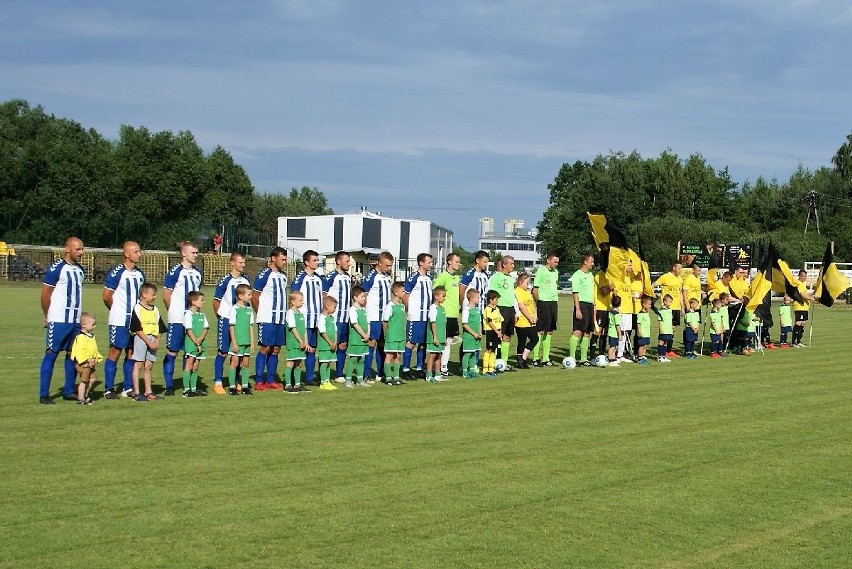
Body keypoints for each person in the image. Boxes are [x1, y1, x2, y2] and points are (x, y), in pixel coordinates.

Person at [38, 237, 86, 404]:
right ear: (67, 249)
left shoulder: (80, 270)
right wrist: (48, 315)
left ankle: (68, 390)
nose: (81, 252)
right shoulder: (56, 268)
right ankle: (44, 394)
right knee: (51, 354)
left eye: (82, 249)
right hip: (58, 320)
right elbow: (45, 295)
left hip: (76, 321)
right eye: (77, 249)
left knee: (72, 356)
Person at [102, 241, 145, 399]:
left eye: (139, 251)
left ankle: (127, 387)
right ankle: (109, 389)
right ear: (127, 254)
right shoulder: (117, 272)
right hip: (119, 320)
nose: (139, 254)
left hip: (135, 321)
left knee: (131, 353)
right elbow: (106, 296)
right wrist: (117, 311)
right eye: (136, 251)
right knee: (115, 352)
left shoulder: (140, 274)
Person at [163, 242, 202, 396]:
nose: (196, 255)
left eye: (197, 252)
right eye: (193, 252)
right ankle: (169, 386)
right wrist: (173, 311)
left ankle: (190, 386)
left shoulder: (198, 272)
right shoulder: (175, 271)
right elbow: (166, 294)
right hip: (178, 319)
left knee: (191, 353)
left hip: (192, 320)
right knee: (172, 351)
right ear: (183, 253)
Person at [212, 252, 250, 394]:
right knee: (223, 351)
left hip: (241, 322)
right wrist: (222, 317)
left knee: (239, 353)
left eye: (244, 262)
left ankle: (236, 381)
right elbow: (216, 301)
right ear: (232, 263)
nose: (243, 265)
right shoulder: (225, 280)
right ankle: (218, 382)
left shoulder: (246, 280)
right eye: (240, 262)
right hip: (226, 319)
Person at [252, 247, 289, 390]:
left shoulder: (283, 276)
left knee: (276, 349)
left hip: (280, 319)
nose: (284, 262)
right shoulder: (264, 275)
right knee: (265, 348)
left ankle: (271, 379)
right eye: (282, 259)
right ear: (273, 258)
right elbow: (255, 296)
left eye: (285, 259)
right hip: (267, 318)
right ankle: (259, 380)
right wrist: (260, 313)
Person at [129, 282, 167, 402]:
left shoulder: (155, 309)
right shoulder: (137, 308)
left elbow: (160, 327)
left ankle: (148, 391)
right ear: (144, 295)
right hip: (141, 338)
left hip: (152, 339)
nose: (155, 297)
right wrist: (148, 341)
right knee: (138, 365)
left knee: (149, 366)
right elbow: (136, 327)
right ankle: (136, 392)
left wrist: (157, 341)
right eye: (153, 294)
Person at [290, 250, 323, 386]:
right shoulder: (299, 278)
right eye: (314, 260)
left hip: (316, 320)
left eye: (317, 260)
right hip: (304, 320)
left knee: (312, 349)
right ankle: (293, 377)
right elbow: (293, 297)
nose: (317, 262)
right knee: (300, 349)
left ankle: (309, 377)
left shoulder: (318, 278)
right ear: (307, 262)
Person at [362, 251, 393, 382]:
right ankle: (366, 373)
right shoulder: (371, 276)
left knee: (382, 343)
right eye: (387, 265)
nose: (389, 268)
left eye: (390, 265)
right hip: (373, 315)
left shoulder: (387, 276)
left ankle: (380, 373)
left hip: (385, 316)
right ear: (379, 263)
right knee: (371, 342)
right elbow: (364, 294)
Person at [322, 251, 352, 382]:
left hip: (345, 318)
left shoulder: (347, 276)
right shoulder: (331, 277)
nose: (349, 264)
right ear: (338, 261)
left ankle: (339, 374)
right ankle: (324, 375)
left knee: (343, 345)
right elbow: (323, 295)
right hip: (335, 318)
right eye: (347, 261)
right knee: (330, 345)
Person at [403, 253, 433, 379]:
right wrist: (409, 310)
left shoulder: (428, 278)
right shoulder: (413, 277)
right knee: (411, 342)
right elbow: (406, 294)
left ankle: (420, 368)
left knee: (423, 343)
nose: (431, 264)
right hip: (415, 316)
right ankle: (405, 369)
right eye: (429, 262)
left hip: (426, 316)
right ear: (421, 263)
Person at [432, 252, 461, 377]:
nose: (458, 264)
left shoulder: (456, 277)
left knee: (449, 341)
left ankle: (444, 367)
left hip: (454, 314)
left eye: (459, 262)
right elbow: (436, 290)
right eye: (456, 261)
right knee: (443, 342)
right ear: (449, 262)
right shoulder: (443, 276)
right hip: (445, 314)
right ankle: (436, 367)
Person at [487, 255, 517, 370]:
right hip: (501, 309)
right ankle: (494, 361)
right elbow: (491, 293)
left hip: (510, 310)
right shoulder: (496, 277)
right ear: (504, 264)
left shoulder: (510, 278)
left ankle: (504, 362)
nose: (513, 266)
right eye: (511, 264)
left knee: (507, 336)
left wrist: (515, 311)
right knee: (497, 336)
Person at [530, 252, 559, 367]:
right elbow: (535, 290)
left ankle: (546, 358)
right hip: (543, 303)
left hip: (553, 303)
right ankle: (535, 358)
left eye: (557, 262)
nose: (557, 264)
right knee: (540, 330)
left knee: (550, 330)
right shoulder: (541, 271)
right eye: (555, 261)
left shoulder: (556, 272)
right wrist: (538, 303)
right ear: (548, 261)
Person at [653, 262, 685, 358]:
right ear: (674, 268)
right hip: (667, 309)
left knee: (673, 329)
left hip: (676, 308)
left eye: (681, 268)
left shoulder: (680, 279)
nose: (680, 270)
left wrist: (682, 307)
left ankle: (668, 350)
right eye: (679, 268)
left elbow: (680, 294)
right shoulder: (665, 277)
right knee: (666, 329)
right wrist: (651, 296)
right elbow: (653, 284)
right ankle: (662, 350)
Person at [569, 253, 596, 366]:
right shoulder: (577, 275)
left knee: (587, 332)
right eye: (591, 261)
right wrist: (578, 309)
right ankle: (572, 358)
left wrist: (594, 306)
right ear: (585, 262)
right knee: (577, 331)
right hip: (582, 304)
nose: (593, 264)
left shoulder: (590, 275)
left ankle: (584, 359)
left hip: (590, 305)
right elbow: (575, 293)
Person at [70, 312, 103, 405]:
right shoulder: (81, 337)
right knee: (84, 380)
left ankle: (86, 395)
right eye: (92, 324)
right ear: (84, 325)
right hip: (84, 363)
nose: (94, 326)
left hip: (91, 363)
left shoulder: (91, 336)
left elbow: (94, 349)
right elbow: (80, 351)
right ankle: (80, 398)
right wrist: (86, 360)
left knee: (92, 380)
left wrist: (97, 358)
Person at [228, 284, 255, 395]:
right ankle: (232, 387)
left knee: (245, 364)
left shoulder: (249, 309)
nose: (251, 297)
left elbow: (250, 326)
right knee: (234, 363)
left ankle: (244, 387)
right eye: (249, 294)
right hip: (238, 342)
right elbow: (231, 326)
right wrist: (234, 342)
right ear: (240, 296)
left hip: (246, 342)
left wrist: (252, 342)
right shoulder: (234, 309)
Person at [182, 291, 209, 397]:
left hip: (200, 343)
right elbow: (189, 329)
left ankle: (193, 388)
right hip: (191, 344)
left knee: (196, 365)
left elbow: (206, 328)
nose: (203, 302)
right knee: (189, 364)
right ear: (193, 302)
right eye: (201, 300)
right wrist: (196, 341)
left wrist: (201, 338)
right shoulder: (188, 314)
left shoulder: (202, 315)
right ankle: (186, 390)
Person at [344, 286, 371, 387]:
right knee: (353, 359)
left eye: (365, 296)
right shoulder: (352, 310)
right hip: (356, 340)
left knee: (362, 359)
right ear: (355, 297)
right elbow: (355, 324)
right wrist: (363, 334)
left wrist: (368, 334)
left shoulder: (364, 310)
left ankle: (360, 379)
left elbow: (368, 323)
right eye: (362, 296)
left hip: (364, 340)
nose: (364, 298)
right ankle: (348, 380)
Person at [381, 281, 407, 386]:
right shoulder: (390, 306)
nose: (404, 293)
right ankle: (387, 377)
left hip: (400, 335)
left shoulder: (402, 306)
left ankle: (396, 377)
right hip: (392, 335)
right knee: (389, 355)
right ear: (396, 292)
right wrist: (385, 334)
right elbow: (385, 321)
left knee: (398, 356)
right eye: (403, 291)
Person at [284, 290, 310, 393]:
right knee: (291, 362)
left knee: (299, 363)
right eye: (300, 300)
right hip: (293, 343)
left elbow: (304, 330)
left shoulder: (301, 313)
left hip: (301, 343)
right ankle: (288, 385)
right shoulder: (290, 313)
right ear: (293, 302)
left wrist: (306, 342)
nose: (302, 302)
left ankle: (297, 384)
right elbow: (293, 328)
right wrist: (300, 341)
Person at [613, 260, 638, 364]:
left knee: (627, 332)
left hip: (629, 310)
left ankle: (621, 354)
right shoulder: (618, 279)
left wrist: (636, 295)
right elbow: (615, 294)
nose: (631, 267)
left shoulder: (629, 279)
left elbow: (629, 293)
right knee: (621, 332)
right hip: (621, 310)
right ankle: (616, 355)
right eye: (629, 265)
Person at [514, 272, 538, 369]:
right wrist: (529, 317)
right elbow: (522, 306)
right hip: (523, 321)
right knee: (523, 340)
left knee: (534, 339)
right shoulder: (518, 291)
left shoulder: (527, 292)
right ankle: (521, 359)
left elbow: (532, 304)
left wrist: (535, 315)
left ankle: (522, 358)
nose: (528, 285)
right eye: (526, 283)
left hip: (531, 320)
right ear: (520, 282)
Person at [425, 286, 448, 382]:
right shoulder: (433, 308)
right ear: (436, 296)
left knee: (439, 355)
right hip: (435, 337)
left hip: (441, 337)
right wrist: (435, 337)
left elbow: (443, 325)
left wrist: (444, 338)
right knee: (432, 355)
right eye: (443, 296)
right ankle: (429, 374)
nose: (445, 298)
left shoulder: (442, 308)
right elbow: (433, 323)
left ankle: (437, 374)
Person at [316, 296, 339, 391]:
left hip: (332, 345)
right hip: (324, 345)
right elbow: (323, 332)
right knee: (324, 363)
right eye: (334, 307)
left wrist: (335, 342)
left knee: (329, 363)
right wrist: (330, 343)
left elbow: (335, 331)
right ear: (327, 306)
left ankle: (327, 380)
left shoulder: (332, 317)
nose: (335, 309)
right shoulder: (322, 318)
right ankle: (323, 382)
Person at [459, 250, 491, 315]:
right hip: (471, 310)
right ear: (477, 261)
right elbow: (461, 289)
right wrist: (463, 305)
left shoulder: (485, 275)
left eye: (487, 262)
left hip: (483, 310)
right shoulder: (470, 273)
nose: (486, 264)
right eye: (484, 262)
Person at [460, 289, 483, 378]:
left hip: (477, 336)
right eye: (478, 297)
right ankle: (465, 372)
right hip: (469, 336)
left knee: (474, 353)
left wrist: (480, 332)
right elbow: (464, 324)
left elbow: (479, 322)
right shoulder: (467, 309)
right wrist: (473, 334)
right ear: (472, 298)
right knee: (468, 354)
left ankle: (472, 371)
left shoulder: (477, 309)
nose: (479, 299)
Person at [591, 268, 612, 360]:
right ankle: (591, 355)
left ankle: (601, 355)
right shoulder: (600, 275)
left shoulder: (610, 276)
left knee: (605, 332)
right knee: (597, 332)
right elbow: (603, 292)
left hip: (608, 308)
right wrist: (611, 287)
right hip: (600, 308)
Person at [482, 290, 503, 376]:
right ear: (491, 300)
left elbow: (500, 320)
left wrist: (500, 331)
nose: (497, 301)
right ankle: (485, 369)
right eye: (496, 299)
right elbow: (490, 322)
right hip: (491, 331)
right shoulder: (488, 309)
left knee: (494, 349)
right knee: (489, 349)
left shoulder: (497, 309)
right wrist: (497, 331)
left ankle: (491, 369)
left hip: (497, 332)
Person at [791, 269, 810, 347]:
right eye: (804, 276)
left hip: (805, 307)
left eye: (806, 276)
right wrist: (812, 298)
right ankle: (793, 342)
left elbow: (806, 294)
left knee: (802, 323)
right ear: (800, 276)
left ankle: (798, 341)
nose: (805, 278)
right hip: (799, 306)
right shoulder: (798, 284)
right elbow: (803, 295)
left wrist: (814, 293)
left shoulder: (802, 284)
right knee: (798, 323)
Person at [656, 294, 674, 363]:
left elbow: (670, 320)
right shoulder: (661, 311)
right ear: (665, 302)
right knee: (661, 342)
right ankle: (660, 356)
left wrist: (672, 329)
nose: (670, 304)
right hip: (663, 330)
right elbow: (660, 321)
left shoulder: (670, 310)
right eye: (669, 302)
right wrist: (661, 330)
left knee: (666, 342)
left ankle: (663, 356)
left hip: (668, 330)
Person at [634, 296, 652, 365]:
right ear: (644, 304)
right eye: (649, 304)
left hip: (647, 333)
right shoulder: (641, 314)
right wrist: (639, 331)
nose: (650, 306)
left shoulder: (646, 313)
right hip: (643, 333)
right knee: (641, 346)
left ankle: (643, 357)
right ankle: (640, 358)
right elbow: (638, 323)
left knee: (645, 345)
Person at [606, 295, 623, 367]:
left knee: (614, 346)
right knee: (612, 347)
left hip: (611, 331)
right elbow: (618, 325)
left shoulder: (611, 312)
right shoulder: (615, 314)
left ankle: (613, 359)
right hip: (614, 333)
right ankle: (610, 359)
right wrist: (620, 335)